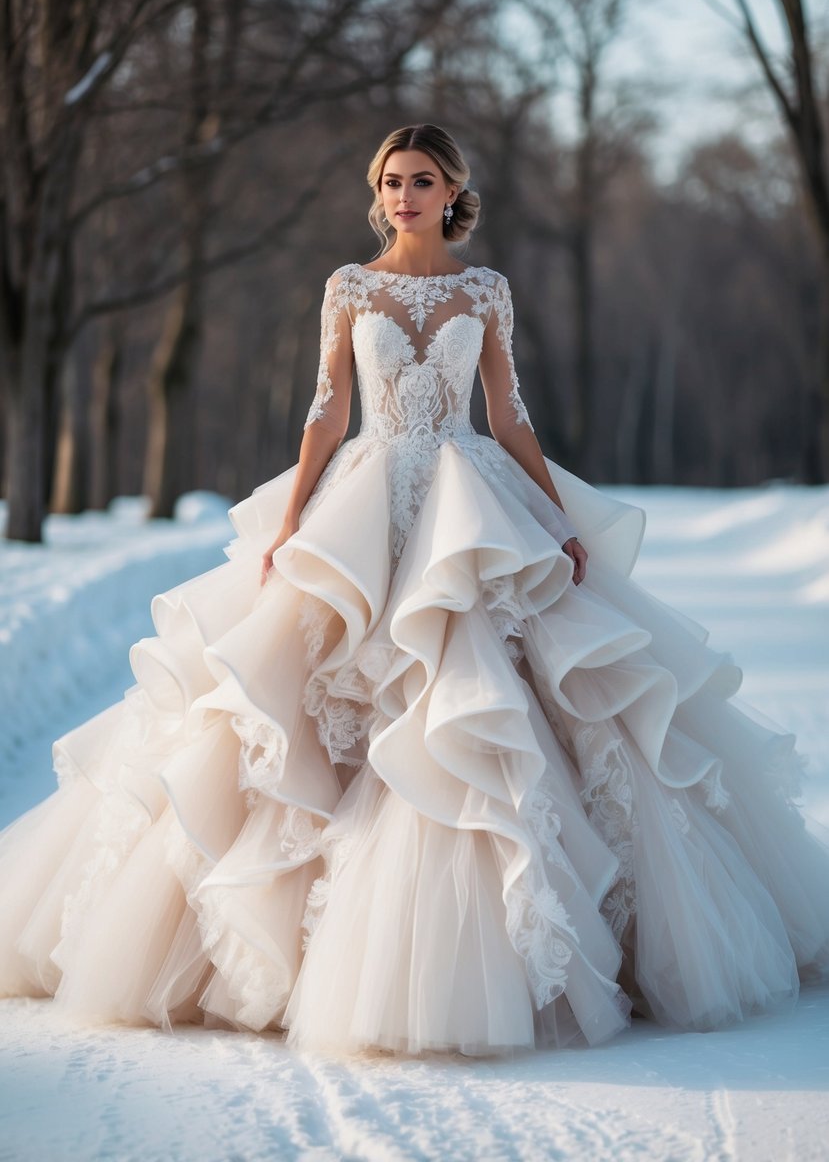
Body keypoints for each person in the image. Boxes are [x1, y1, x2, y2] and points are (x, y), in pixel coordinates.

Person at [1, 123, 828, 1059]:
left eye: (421, 180)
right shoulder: (349, 287)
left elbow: (507, 413)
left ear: (452, 193)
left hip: (469, 501)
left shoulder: (486, 289)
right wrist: (290, 522)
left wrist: (557, 521)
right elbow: (327, 411)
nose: (403, 195)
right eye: (391, 181)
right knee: (321, 690)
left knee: (489, 691)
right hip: (367, 500)